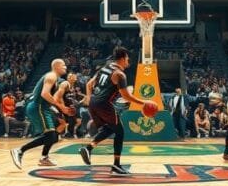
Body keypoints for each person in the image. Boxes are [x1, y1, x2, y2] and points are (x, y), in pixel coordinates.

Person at [78, 47, 147, 175]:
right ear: (123, 58)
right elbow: (126, 96)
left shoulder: (104, 68)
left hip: (93, 103)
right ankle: (116, 165)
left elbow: (88, 84)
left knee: (110, 128)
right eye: (127, 59)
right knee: (120, 132)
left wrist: (89, 98)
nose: (128, 61)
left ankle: (89, 148)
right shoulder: (119, 74)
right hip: (104, 104)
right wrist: (144, 103)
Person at [11, 59, 74, 169]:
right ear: (56, 66)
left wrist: (62, 109)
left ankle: (44, 158)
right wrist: (60, 107)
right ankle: (19, 150)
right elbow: (44, 94)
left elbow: (51, 98)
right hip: (38, 107)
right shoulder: (51, 76)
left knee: (53, 137)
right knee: (51, 136)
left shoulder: (55, 78)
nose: (65, 67)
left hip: (43, 108)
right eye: (63, 65)